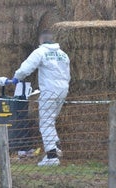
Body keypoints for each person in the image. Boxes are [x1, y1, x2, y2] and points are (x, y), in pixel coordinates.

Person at [12, 30, 71, 166]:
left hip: (49, 89)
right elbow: (68, 74)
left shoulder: (41, 52)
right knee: (50, 120)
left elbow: (26, 68)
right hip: (63, 89)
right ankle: (56, 147)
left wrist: (16, 78)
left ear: (41, 41)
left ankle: (52, 157)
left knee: (45, 122)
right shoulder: (63, 54)